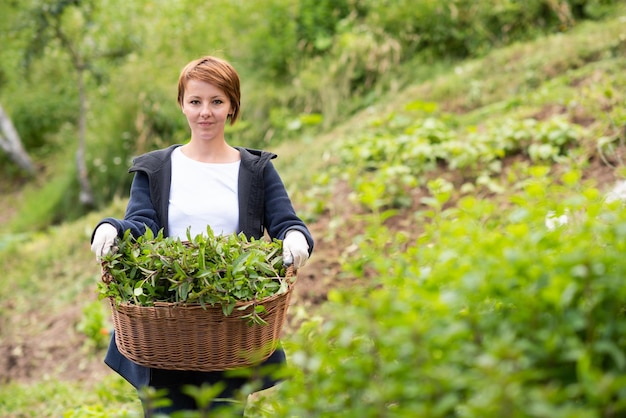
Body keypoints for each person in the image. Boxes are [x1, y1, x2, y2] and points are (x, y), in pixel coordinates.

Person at [90, 55, 314, 415]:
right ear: (182, 105)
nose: (205, 112)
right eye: (195, 101)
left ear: (232, 107)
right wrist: (112, 227)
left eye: (216, 101)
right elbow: (142, 224)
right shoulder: (158, 168)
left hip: (228, 325)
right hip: (165, 326)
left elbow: (288, 222)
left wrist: (296, 238)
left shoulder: (255, 171)